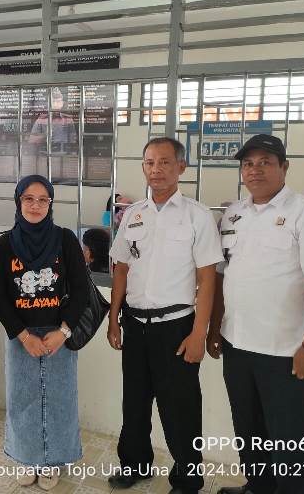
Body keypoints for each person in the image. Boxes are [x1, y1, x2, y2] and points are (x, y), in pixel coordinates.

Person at [207, 135, 304, 494]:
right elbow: (221, 275)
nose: (255, 170)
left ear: (284, 167)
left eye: (265, 162)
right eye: (248, 164)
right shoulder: (233, 214)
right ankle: (259, 487)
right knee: (249, 430)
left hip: (285, 352)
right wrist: (215, 329)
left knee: (291, 439)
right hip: (236, 345)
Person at [106, 137, 222, 494]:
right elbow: (121, 268)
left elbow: (208, 278)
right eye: (150, 162)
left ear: (180, 167)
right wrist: (113, 319)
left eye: (165, 162)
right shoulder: (133, 214)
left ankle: (187, 480)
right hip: (135, 325)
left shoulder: (197, 216)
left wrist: (199, 333)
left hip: (177, 328)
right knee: (134, 403)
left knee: (180, 408)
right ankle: (135, 464)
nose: (156, 169)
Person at [0, 175, 87, 491]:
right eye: (28, 199)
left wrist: (63, 331)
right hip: (21, 337)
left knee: (60, 400)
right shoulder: (4, 245)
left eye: (43, 199)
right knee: (22, 401)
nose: (35, 205)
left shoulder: (65, 240)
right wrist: (23, 335)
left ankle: (53, 462)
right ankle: (27, 459)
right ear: (18, 202)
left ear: (50, 204)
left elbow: (82, 291)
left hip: (59, 336)